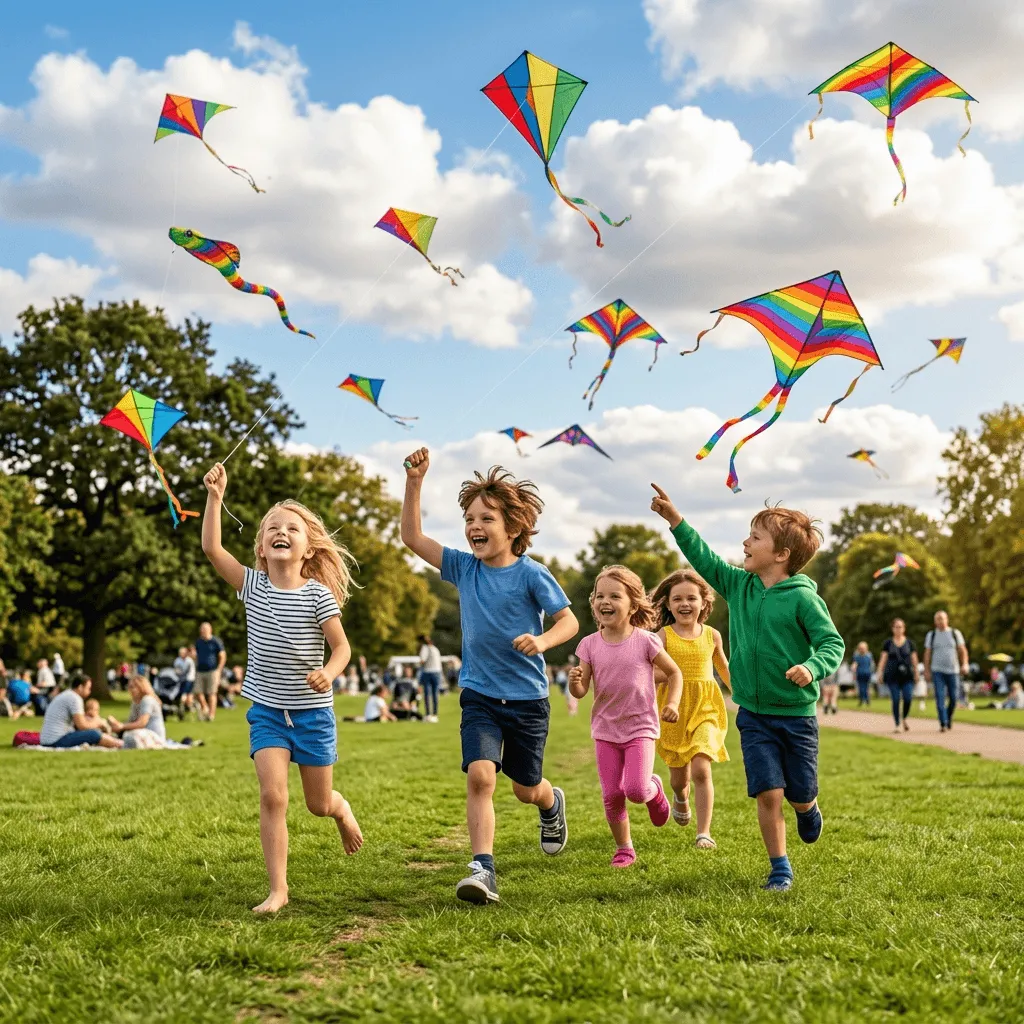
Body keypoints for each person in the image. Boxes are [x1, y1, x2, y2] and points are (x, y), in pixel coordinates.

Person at [401, 449, 578, 905]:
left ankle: (549, 802)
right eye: (469, 518)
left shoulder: (532, 574)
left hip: (527, 700)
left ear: (513, 528)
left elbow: (569, 622)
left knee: (525, 788)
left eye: (486, 518)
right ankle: (484, 869)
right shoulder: (464, 567)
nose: (474, 526)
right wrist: (415, 481)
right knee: (481, 776)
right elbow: (412, 537)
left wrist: (542, 641)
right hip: (479, 694)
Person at [651, 485, 842, 893]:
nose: (745, 542)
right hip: (754, 716)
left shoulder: (804, 599)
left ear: (781, 555)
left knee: (799, 793)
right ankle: (780, 867)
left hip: (796, 718)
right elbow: (703, 558)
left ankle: (808, 809)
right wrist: (676, 521)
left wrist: (811, 667)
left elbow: (832, 644)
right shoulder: (739, 586)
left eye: (755, 537)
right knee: (768, 793)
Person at [203, 462, 363, 914]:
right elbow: (214, 550)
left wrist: (329, 674)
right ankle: (279, 889)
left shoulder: (317, 595)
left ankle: (341, 809)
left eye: (292, 527)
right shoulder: (252, 586)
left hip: (313, 715)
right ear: (261, 545)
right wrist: (216, 498)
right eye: (273, 527)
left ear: (308, 547)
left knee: (317, 803)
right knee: (273, 796)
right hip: (269, 713)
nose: (281, 531)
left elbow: (342, 649)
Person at [568, 566, 681, 866]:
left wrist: (673, 703)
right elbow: (582, 691)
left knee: (634, 789)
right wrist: (575, 682)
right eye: (600, 595)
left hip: (640, 727)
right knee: (611, 795)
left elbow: (674, 673)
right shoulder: (588, 645)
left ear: (633, 604)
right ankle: (624, 848)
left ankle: (653, 789)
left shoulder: (645, 640)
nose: (605, 601)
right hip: (605, 729)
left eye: (614, 596)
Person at [649, 568, 731, 849]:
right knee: (678, 778)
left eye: (691, 598)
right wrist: (673, 677)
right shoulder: (662, 637)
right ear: (669, 604)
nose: (685, 604)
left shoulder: (712, 636)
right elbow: (648, 673)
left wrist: (743, 697)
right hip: (673, 711)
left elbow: (723, 668)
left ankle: (704, 832)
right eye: (678, 599)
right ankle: (680, 797)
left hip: (706, 707)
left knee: (701, 767)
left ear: (704, 603)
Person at [39, 676, 123, 749]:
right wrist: (99, 723)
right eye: (88, 688)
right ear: (80, 687)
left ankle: (115, 741)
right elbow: (82, 726)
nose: (89, 692)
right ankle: (120, 744)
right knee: (94, 734)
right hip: (56, 741)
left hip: (47, 740)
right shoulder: (75, 698)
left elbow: (78, 725)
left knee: (92, 733)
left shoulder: (66, 695)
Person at [924, 610, 969, 733]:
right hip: (937, 670)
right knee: (940, 697)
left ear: (947, 619)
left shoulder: (955, 633)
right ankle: (943, 723)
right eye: (938, 619)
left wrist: (965, 663)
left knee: (954, 698)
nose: (940, 621)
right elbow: (927, 653)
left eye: (942, 618)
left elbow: (962, 650)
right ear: (935, 622)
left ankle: (948, 718)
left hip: (953, 671)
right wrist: (926, 670)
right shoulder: (931, 635)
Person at [876, 619, 919, 733]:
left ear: (904, 628)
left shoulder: (910, 643)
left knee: (908, 698)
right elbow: (883, 659)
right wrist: (879, 672)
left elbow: (914, 660)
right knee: (895, 699)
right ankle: (897, 723)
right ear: (893, 629)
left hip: (907, 676)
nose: (898, 629)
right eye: (896, 627)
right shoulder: (888, 643)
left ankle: (904, 717)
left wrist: (916, 673)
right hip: (892, 675)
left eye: (900, 627)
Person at [195, 622, 227, 722]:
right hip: (200, 670)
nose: (202, 631)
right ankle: (205, 707)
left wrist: (219, 670)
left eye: (204, 629)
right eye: (201, 629)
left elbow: (222, 656)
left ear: (210, 630)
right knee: (197, 691)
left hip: (212, 671)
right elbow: (196, 655)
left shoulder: (216, 641)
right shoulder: (198, 642)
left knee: (212, 693)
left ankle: (211, 715)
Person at [417, 634, 443, 723]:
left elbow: (422, 660)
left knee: (427, 694)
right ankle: (435, 714)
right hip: (437, 672)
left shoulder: (424, 648)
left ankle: (428, 714)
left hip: (428, 672)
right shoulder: (435, 649)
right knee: (435, 694)